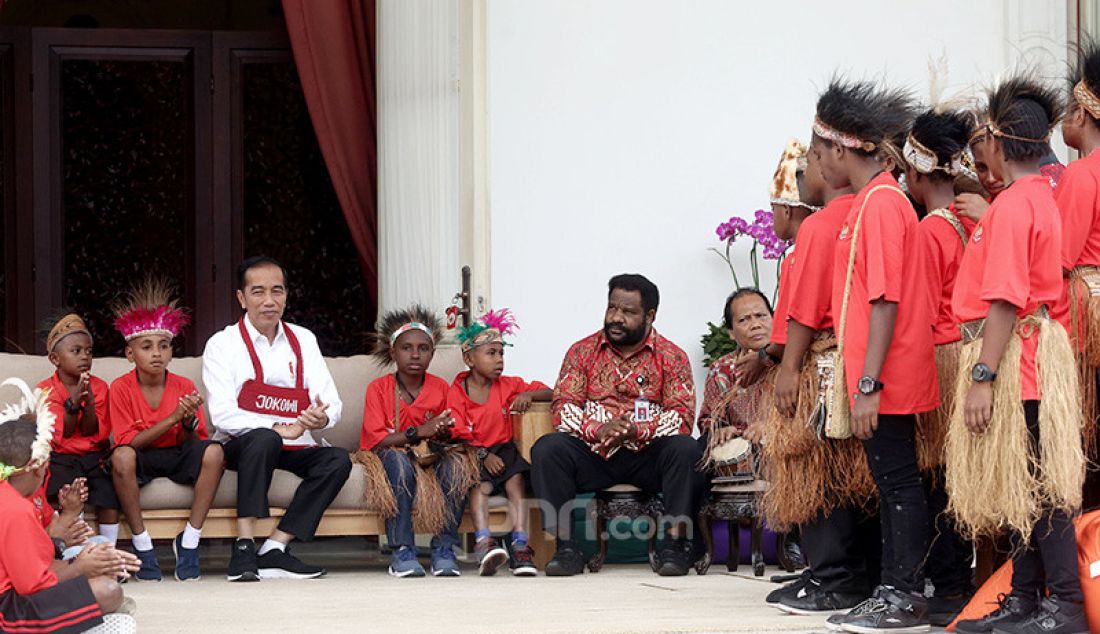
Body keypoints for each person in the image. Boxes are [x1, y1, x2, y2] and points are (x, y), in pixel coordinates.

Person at [950, 76, 1088, 634]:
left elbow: (1007, 299)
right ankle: (1028, 597)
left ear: (998, 145)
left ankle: (1066, 607)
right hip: (1032, 352)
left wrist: (983, 375)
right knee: (1025, 480)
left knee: (1041, 483)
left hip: (1021, 360)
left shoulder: (1011, 208)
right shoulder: (1037, 197)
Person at [812, 78, 937, 632]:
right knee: (890, 482)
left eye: (818, 153)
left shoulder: (883, 203)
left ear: (841, 150)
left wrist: (867, 385)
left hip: (888, 374)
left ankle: (904, 596)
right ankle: (892, 589)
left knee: (899, 482)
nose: (817, 165)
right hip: (877, 372)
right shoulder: (873, 200)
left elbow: (885, 302)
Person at [738, 138, 879, 618]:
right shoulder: (865, 212)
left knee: (815, 476)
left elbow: (798, 317)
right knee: (856, 478)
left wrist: (782, 364)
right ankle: (857, 575)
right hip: (858, 366)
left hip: (819, 370)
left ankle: (834, 577)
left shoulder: (815, 233)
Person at [530, 273, 698, 577]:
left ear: (650, 315)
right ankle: (567, 548)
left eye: (628, 312)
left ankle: (674, 547)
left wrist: (637, 430)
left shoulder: (672, 357)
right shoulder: (582, 351)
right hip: (596, 455)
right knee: (548, 448)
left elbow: (682, 415)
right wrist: (599, 430)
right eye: (612, 308)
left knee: (686, 449)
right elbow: (563, 406)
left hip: (647, 456)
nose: (616, 318)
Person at [202, 256, 351, 582]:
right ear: (241, 298)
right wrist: (277, 426)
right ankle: (243, 546)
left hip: (296, 444)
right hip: (241, 446)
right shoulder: (222, 344)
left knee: (338, 460)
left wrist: (317, 419)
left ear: (286, 295)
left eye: (277, 291)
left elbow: (333, 404)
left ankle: (274, 548)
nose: (269, 301)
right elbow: (223, 415)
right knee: (264, 438)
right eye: (258, 292)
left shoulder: (304, 339)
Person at [903, 107, 979, 625]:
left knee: (936, 478)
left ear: (917, 172)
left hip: (941, 358)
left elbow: (924, 310)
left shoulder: (931, 231)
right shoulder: (973, 217)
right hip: (971, 354)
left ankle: (950, 584)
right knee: (957, 477)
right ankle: (960, 579)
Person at [0, 378, 139, 634]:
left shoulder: (11, 497)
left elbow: (41, 565)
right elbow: (32, 585)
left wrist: (95, 563)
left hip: (14, 593)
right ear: (40, 467)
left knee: (102, 578)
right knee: (107, 591)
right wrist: (81, 568)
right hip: (5, 613)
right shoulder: (15, 509)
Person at [108, 280, 226, 581]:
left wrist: (187, 424)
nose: (156, 354)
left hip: (175, 453)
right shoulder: (120, 388)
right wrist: (175, 416)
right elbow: (128, 444)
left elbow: (192, 441)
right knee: (121, 457)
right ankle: (142, 544)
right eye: (146, 347)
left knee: (214, 451)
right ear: (130, 354)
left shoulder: (184, 386)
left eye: (164, 346)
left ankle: (189, 541)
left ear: (172, 352)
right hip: (142, 456)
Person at [355, 305, 476, 578]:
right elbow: (377, 441)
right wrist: (420, 431)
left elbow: (454, 429)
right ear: (393, 352)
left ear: (432, 354)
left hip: (430, 454)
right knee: (398, 462)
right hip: (393, 454)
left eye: (423, 349)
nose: (415, 354)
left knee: (457, 465)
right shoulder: (379, 388)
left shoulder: (441, 388)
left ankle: (444, 548)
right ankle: (402, 550)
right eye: (407, 348)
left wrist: (444, 431)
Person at [448, 309, 552, 576]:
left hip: (504, 451)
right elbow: (456, 435)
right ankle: (484, 542)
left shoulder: (509, 385)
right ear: (469, 358)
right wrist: (483, 456)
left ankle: (520, 545)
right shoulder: (457, 392)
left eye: (501, 353)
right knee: (479, 488)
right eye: (491, 353)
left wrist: (529, 394)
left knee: (516, 482)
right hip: (472, 452)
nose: (499, 360)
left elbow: (553, 392)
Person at [38, 314, 121, 548]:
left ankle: (109, 549)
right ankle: (75, 548)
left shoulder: (100, 386)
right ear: (55, 358)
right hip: (61, 457)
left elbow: (93, 432)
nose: (85, 356)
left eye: (89, 351)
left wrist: (90, 402)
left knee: (108, 492)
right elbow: (62, 433)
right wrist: (73, 404)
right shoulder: (46, 390)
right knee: (63, 489)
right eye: (76, 351)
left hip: (93, 456)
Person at [1056, 42, 1100, 467]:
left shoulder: (1082, 174)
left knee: (1089, 431)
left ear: (1081, 114)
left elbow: (1061, 258)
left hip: (1088, 314)